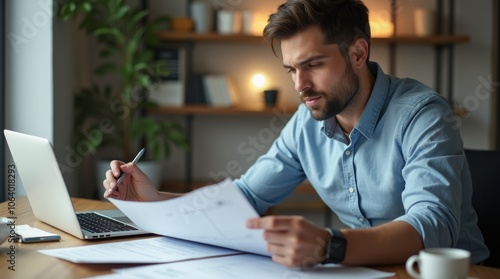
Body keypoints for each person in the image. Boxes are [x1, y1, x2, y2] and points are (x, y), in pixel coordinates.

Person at [103, 0, 489, 268]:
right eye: (291, 70)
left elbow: (432, 225)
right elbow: (246, 198)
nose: (300, 85)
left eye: (314, 65)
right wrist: (154, 200)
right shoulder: (307, 123)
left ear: (358, 52)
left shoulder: (422, 114)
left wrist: (329, 245)